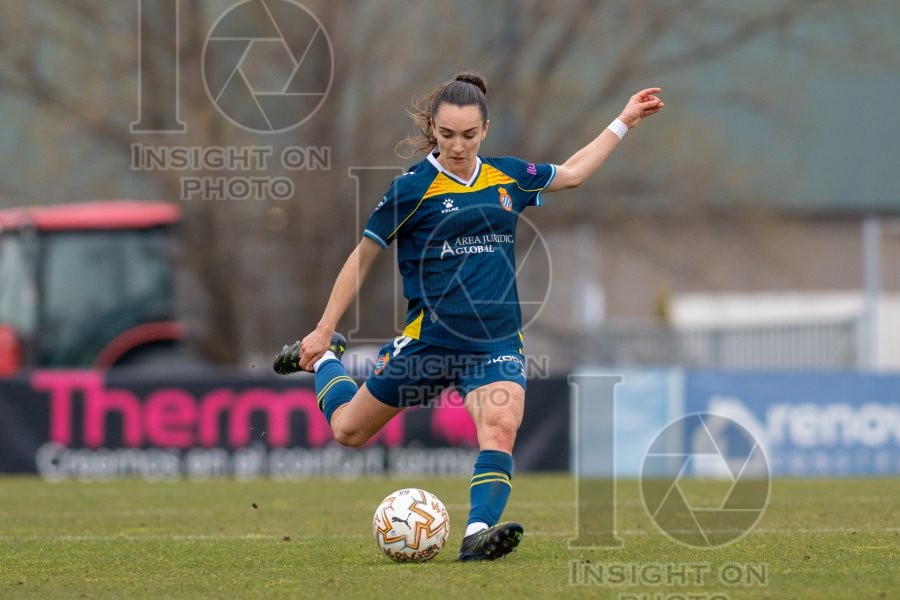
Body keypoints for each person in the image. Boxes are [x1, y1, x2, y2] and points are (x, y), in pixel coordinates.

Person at [274, 72, 663, 561]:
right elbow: (362, 258)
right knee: (348, 432)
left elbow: (575, 172)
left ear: (485, 129)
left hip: (495, 344)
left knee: (500, 425)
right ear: (433, 129)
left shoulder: (509, 176)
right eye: (447, 135)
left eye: (469, 135)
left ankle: (477, 535)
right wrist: (325, 329)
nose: (458, 146)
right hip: (429, 344)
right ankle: (326, 360)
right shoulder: (411, 189)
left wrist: (624, 121)